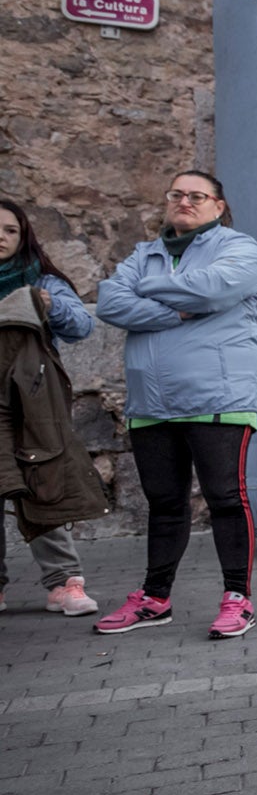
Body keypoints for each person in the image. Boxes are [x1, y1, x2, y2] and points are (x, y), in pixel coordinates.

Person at [94, 171, 257, 640]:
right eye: (176, 194)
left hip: (218, 398)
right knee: (164, 504)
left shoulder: (241, 249)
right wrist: (180, 309)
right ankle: (154, 598)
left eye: (196, 195)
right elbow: (109, 301)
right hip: (151, 402)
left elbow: (216, 289)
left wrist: (147, 291)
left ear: (218, 205)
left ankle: (238, 599)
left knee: (226, 499)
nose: (184, 201)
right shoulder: (143, 254)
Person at [0, 201, 99, 616]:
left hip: (30, 403)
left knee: (41, 481)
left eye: (9, 230)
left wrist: (49, 304)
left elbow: (81, 326)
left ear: (23, 238)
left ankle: (64, 583)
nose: (0, 237)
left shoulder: (39, 279)